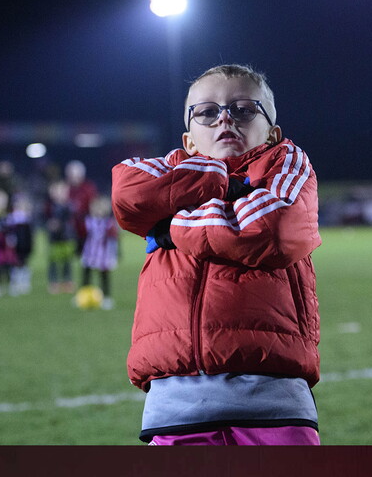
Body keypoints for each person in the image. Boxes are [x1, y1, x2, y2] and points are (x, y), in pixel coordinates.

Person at [111, 64, 322, 446]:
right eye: (207, 112)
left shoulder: (287, 162)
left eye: (243, 109)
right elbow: (127, 193)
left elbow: (268, 229)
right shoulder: (166, 167)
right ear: (189, 141)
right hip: (175, 404)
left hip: (272, 402)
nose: (224, 118)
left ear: (273, 134)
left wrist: (169, 226)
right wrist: (222, 181)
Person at [78, 195, 119, 310]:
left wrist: (115, 255)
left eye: (100, 209)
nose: (98, 211)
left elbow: (113, 239)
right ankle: (82, 296)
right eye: (96, 209)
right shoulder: (88, 221)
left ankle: (106, 298)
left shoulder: (109, 223)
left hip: (103, 255)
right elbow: (82, 235)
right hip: (90, 252)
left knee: (104, 276)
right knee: (86, 275)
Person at [42, 180, 77, 294]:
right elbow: (43, 219)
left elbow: (70, 219)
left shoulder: (69, 205)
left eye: (62, 191)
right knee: (53, 261)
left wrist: (59, 225)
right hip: (53, 239)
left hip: (66, 238)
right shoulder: (49, 206)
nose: (60, 193)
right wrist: (49, 224)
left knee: (67, 261)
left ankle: (67, 282)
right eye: (57, 191)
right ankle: (54, 282)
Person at [66, 160, 97, 257]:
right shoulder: (66, 188)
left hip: (85, 222)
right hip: (70, 224)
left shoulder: (88, 188)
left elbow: (93, 205)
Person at [7, 193, 35, 296]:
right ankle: (15, 283)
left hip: (25, 246)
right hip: (15, 247)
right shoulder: (12, 219)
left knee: (24, 265)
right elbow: (9, 232)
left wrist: (30, 246)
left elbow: (30, 235)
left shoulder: (27, 219)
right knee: (15, 265)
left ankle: (24, 282)